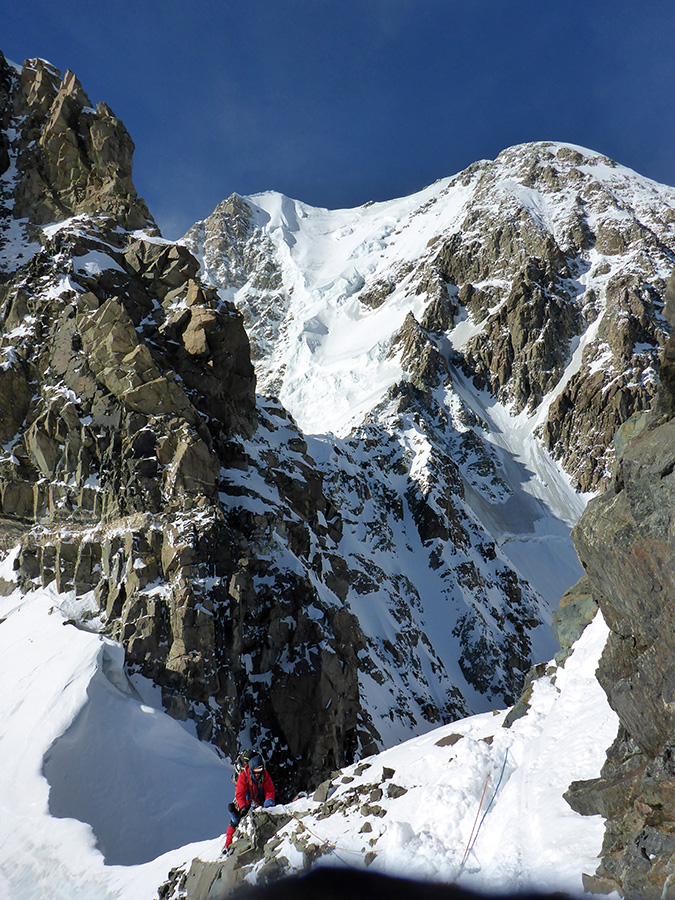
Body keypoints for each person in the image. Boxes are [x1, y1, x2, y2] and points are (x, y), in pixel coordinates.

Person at [223, 754, 275, 851]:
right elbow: (239, 794)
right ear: (251, 770)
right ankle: (227, 845)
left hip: (258, 803)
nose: (258, 774)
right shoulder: (243, 776)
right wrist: (243, 807)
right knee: (235, 820)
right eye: (255, 771)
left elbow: (269, 791)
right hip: (246, 803)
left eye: (260, 771)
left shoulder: (265, 775)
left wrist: (269, 802)